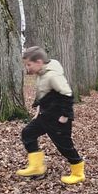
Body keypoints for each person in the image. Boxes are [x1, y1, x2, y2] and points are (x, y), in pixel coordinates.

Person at [16, 46, 85, 185]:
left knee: (64, 146)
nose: (27, 68)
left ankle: (78, 173)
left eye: (29, 64)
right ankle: (37, 167)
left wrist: (65, 116)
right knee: (28, 133)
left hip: (58, 119)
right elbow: (43, 95)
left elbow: (67, 94)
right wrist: (38, 111)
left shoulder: (53, 75)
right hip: (45, 116)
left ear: (39, 62)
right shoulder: (41, 74)